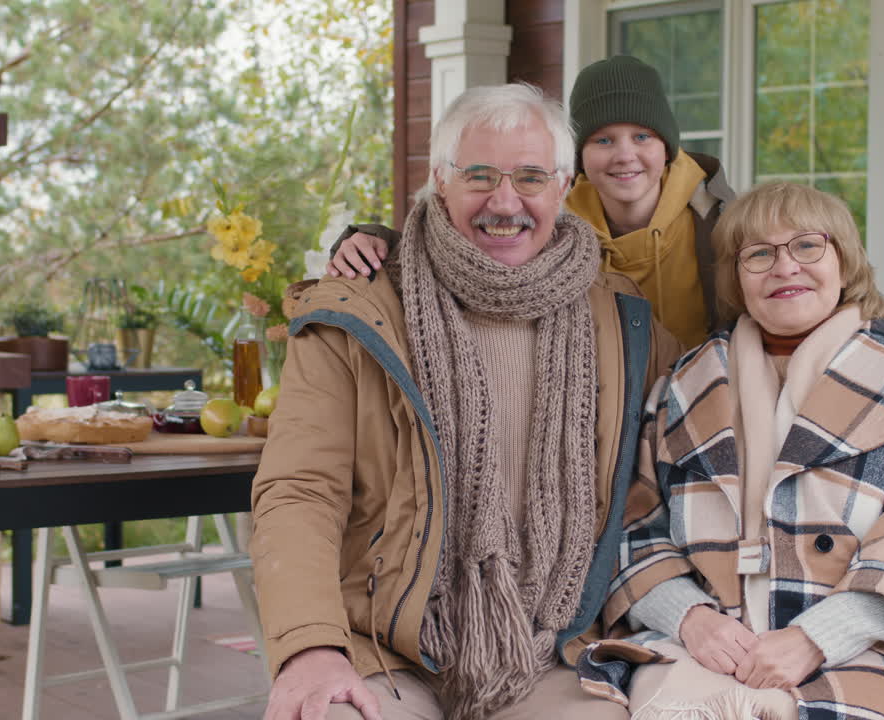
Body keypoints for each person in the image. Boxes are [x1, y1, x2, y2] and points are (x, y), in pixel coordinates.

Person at [251, 83, 681, 720]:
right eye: (478, 175)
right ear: (439, 181)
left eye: (531, 177)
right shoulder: (357, 311)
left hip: (556, 648)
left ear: (564, 187)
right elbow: (300, 491)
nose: (505, 202)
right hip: (385, 648)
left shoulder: (627, 326)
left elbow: (656, 501)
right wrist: (310, 648)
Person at [580, 182, 884, 719]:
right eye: (759, 253)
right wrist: (689, 618)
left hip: (863, 652)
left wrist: (816, 638)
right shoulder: (683, 386)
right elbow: (636, 529)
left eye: (807, 246)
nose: (784, 267)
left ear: (844, 261)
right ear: (735, 277)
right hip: (707, 645)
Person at [326, 56, 884, 395]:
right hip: (593, 406)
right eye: (602, 138)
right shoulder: (548, 223)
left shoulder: (724, 221)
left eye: (641, 135)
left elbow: (809, 285)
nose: (624, 153)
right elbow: (463, 234)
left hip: (712, 404)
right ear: (577, 159)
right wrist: (375, 238)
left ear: (668, 146)